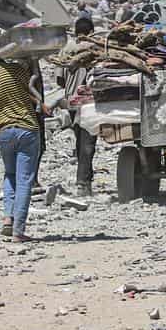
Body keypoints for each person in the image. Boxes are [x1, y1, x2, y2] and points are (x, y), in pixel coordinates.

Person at [0, 40, 48, 242]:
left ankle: (8, 218)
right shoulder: (15, 70)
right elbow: (31, 90)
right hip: (27, 130)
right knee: (25, 180)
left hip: (3, 133)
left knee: (10, 175)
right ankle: (18, 231)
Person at [60, 16, 98, 196]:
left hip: (71, 101)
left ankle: (85, 178)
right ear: (91, 31)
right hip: (87, 102)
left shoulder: (66, 49)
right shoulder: (93, 48)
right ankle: (83, 182)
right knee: (88, 143)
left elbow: (60, 79)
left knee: (79, 140)